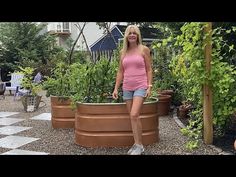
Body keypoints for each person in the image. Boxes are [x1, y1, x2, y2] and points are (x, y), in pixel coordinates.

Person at [112, 25, 153, 155]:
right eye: (130, 33)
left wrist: (149, 86)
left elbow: (149, 69)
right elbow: (120, 71)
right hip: (127, 87)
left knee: (134, 114)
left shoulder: (144, 49)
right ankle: (137, 144)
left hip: (141, 85)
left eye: (134, 33)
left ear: (138, 35)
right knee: (133, 117)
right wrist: (116, 88)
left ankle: (139, 146)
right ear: (126, 36)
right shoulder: (123, 52)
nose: (132, 35)